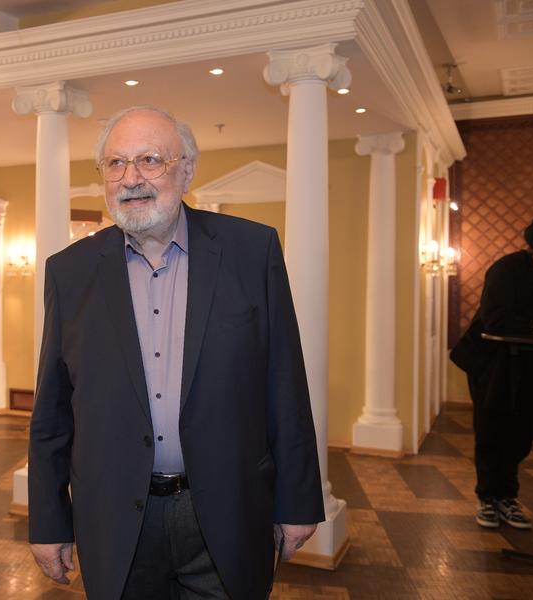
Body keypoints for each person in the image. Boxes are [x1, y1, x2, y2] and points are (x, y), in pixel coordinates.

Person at [28, 106, 324, 600]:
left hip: (228, 511)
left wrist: (297, 502)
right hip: (116, 518)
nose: (131, 178)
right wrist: (48, 520)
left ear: (187, 170)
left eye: (150, 160)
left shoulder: (252, 251)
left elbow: (285, 386)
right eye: (115, 163)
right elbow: (53, 411)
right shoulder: (70, 271)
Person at [451, 213, 533, 530]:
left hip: (532, 365)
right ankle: (487, 498)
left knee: (521, 434)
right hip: (492, 364)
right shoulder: (506, 270)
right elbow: (495, 318)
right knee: (491, 430)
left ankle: (507, 498)